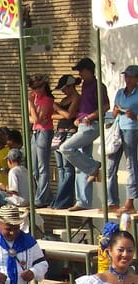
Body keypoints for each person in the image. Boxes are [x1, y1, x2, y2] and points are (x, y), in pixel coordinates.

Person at [60, 57, 110, 211]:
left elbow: (105, 105)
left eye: (81, 71)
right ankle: (83, 201)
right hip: (82, 124)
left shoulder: (98, 85)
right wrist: (79, 119)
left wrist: (89, 117)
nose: (79, 74)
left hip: (91, 125)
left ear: (89, 70)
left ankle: (93, 167)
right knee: (80, 163)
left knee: (66, 148)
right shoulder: (85, 86)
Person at [107, 65, 138, 214]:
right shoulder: (120, 92)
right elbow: (113, 114)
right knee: (111, 165)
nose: (127, 79)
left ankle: (130, 201)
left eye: (131, 76)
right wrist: (115, 111)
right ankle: (112, 201)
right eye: (126, 76)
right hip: (118, 129)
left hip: (132, 129)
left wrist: (135, 116)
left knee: (131, 164)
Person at [52, 75, 81, 210]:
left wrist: (57, 109)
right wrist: (61, 112)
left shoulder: (77, 98)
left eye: (64, 88)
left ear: (70, 86)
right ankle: (60, 199)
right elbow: (52, 115)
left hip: (70, 132)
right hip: (59, 133)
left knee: (68, 168)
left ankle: (64, 200)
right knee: (61, 168)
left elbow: (70, 115)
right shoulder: (64, 100)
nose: (63, 92)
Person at [28, 74, 56, 207]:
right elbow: (31, 119)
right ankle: (48, 196)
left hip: (45, 131)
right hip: (35, 131)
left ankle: (40, 198)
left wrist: (30, 104)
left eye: (39, 87)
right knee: (34, 169)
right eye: (34, 88)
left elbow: (35, 119)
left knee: (42, 166)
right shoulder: (35, 98)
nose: (37, 90)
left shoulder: (47, 99)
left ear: (44, 86)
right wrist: (35, 116)